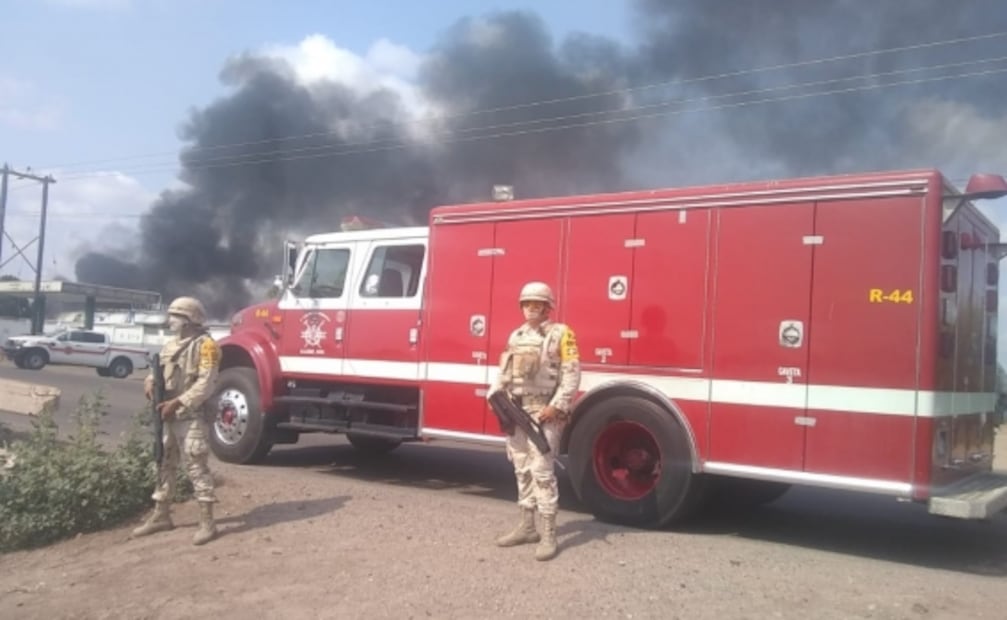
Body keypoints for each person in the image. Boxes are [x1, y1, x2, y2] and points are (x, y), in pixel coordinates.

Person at [488, 281, 582, 561]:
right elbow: (504, 371)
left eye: (537, 304)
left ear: (547, 307)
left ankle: (549, 532)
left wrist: (557, 406)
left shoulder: (561, 333)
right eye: (526, 303)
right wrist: (495, 396)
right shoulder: (516, 335)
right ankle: (527, 527)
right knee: (522, 469)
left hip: (543, 412)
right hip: (515, 410)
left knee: (542, 471)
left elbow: (572, 374)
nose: (531, 308)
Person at [132, 296, 222, 546]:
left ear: (189, 319)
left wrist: (179, 402)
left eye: (176, 316)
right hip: (168, 414)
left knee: (196, 465)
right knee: (163, 462)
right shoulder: (170, 345)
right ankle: (161, 515)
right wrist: (150, 381)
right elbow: (158, 371)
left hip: (192, 415)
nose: (170, 320)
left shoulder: (207, 346)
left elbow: (206, 383)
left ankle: (207, 522)